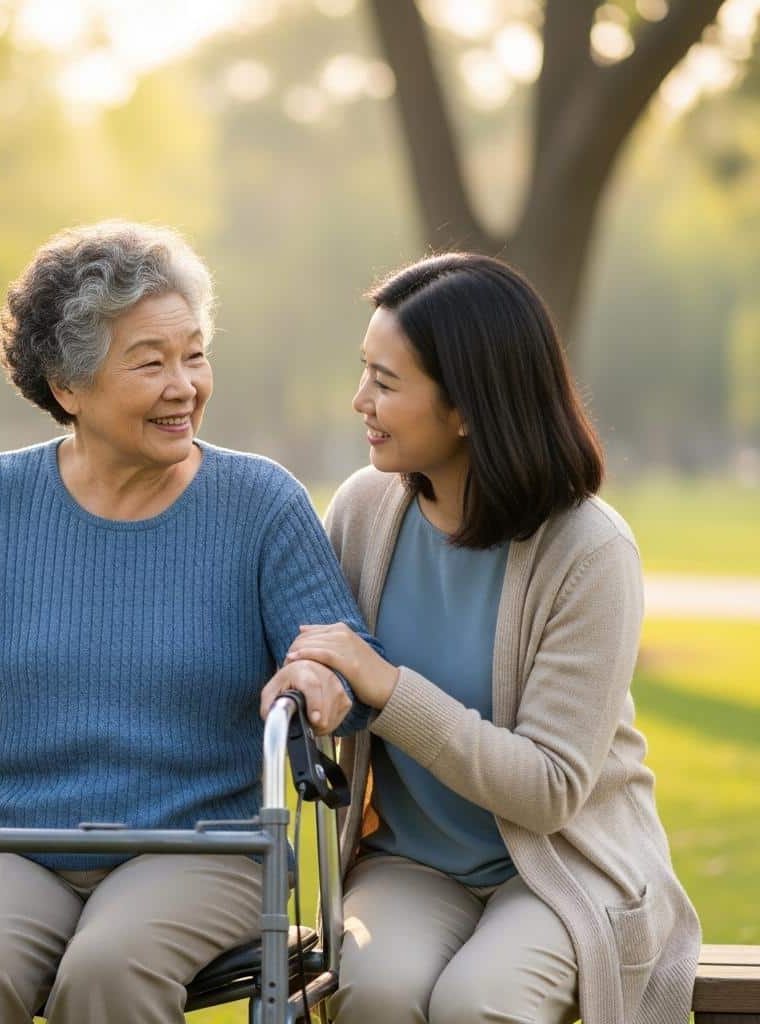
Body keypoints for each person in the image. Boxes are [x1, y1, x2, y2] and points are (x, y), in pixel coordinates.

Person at [0, 221, 375, 1024]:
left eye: (194, 355)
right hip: (16, 841)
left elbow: (344, 657)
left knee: (110, 969)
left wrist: (320, 677)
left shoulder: (260, 504)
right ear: (68, 387)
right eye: (150, 362)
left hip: (206, 846)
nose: (185, 386)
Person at [263, 253, 699, 1024]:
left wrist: (387, 686)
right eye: (364, 371)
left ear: (467, 407)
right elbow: (323, 662)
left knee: (479, 1001)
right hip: (411, 863)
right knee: (377, 992)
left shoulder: (590, 551)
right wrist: (309, 682)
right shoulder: (362, 511)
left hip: (563, 864)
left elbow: (550, 789)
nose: (358, 400)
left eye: (386, 383)